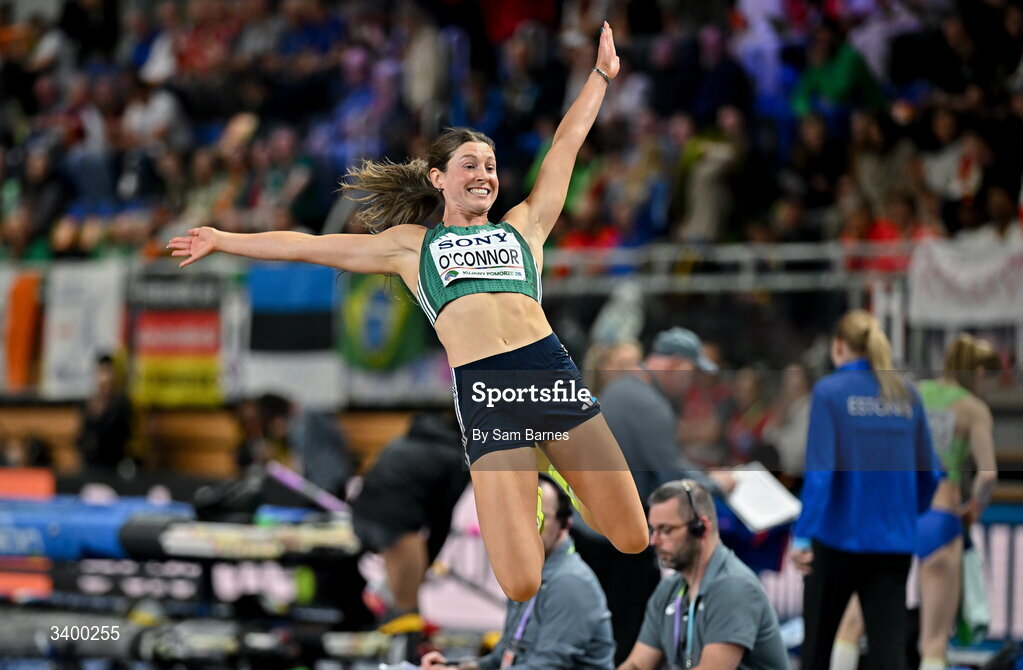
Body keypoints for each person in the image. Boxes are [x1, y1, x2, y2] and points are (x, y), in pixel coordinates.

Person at [168, 22, 648, 604]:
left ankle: (549, 478)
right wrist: (224, 238)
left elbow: (567, 142)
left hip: (549, 375)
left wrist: (600, 76)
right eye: (470, 164)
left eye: (491, 165)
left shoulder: (526, 226)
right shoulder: (410, 247)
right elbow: (306, 247)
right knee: (521, 583)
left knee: (633, 537)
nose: (484, 174)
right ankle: (534, 481)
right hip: (488, 394)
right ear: (440, 179)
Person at [830, 334, 1001, 670]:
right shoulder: (973, 409)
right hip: (940, 517)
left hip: (894, 514)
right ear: (980, 372)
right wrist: (975, 509)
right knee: (933, 641)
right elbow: (988, 475)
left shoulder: (911, 393)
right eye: (991, 380)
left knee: (852, 624)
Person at [789, 310, 943, 670]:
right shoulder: (907, 394)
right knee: (890, 654)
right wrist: (906, 513)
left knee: (816, 651)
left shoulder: (829, 392)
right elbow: (930, 474)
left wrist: (802, 535)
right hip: (893, 543)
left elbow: (821, 473)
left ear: (838, 346)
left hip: (835, 541)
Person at [576, 327, 735, 664]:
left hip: (594, 530)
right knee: (630, 635)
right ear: (676, 365)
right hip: (617, 542)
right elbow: (674, 478)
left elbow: (661, 463)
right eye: (692, 372)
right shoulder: (649, 405)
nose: (692, 383)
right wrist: (717, 484)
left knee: (602, 634)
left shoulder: (622, 390)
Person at [420, 475, 615, 670]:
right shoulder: (527, 574)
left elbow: (547, 667)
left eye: (537, 518)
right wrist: (454, 667)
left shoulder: (571, 583)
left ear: (565, 525)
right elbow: (501, 658)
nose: (523, 526)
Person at [617, 479, 790, 670]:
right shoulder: (669, 590)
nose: (654, 541)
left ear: (701, 528)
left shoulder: (734, 588)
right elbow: (637, 664)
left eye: (666, 530)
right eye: (653, 529)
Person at [351, 412, 469, 635]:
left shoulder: (409, 438)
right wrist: (427, 562)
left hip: (364, 515)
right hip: (394, 522)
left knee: (398, 599)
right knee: (406, 610)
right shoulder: (455, 457)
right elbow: (442, 518)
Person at [76, 354, 133, 471]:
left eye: (109, 372)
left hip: (114, 466)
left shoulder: (121, 404)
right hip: (91, 465)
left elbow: (124, 436)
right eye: (102, 372)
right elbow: (81, 436)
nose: (106, 378)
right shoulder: (88, 404)